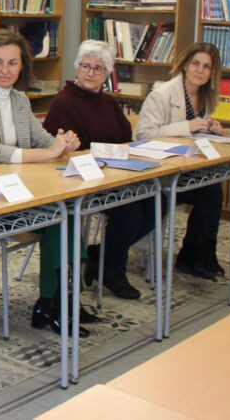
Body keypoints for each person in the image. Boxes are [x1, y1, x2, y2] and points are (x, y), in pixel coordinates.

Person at [0, 30, 90, 336]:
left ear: (22, 67)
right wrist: (49, 153)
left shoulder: (19, 99)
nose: (5, 70)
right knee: (60, 218)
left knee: (68, 213)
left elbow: (41, 139)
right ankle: (54, 303)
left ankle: (59, 301)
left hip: (18, 193)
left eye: (12, 63)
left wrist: (63, 143)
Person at [43, 40, 160, 300]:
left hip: (115, 176)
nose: (90, 73)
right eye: (85, 66)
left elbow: (125, 137)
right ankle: (112, 271)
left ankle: (101, 255)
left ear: (107, 73)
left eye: (98, 68)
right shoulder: (64, 102)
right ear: (77, 67)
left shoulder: (108, 102)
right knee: (129, 212)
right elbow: (62, 150)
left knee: (156, 201)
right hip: (81, 180)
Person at [135, 42, 226, 279]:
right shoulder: (162, 94)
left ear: (212, 72)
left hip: (184, 169)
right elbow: (143, 135)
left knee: (212, 188)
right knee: (209, 191)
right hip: (158, 174)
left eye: (207, 67)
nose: (200, 70)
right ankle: (195, 255)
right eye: (195, 63)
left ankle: (199, 252)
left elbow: (194, 135)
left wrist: (211, 129)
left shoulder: (205, 97)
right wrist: (187, 126)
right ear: (185, 64)